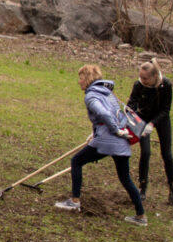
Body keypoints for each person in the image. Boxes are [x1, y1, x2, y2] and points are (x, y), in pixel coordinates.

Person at [54, 64, 147, 226]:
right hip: (120, 141)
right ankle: (141, 216)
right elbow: (115, 115)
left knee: (76, 161)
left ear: (88, 79)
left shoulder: (91, 96)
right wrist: (97, 133)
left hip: (109, 140)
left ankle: (75, 201)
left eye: (81, 78)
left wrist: (115, 131)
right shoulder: (108, 93)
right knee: (125, 178)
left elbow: (103, 114)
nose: (79, 82)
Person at [126, 59, 173, 208]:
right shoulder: (138, 85)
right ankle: (142, 189)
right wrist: (130, 112)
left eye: (146, 78)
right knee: (146, 152)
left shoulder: (166, 85)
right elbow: (132, 102)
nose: (142, 80)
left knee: (167, 154)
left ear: (155, 76)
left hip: (161, 119)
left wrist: (153, 124)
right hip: (143, 119)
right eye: (141, 77)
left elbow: (166, 110)